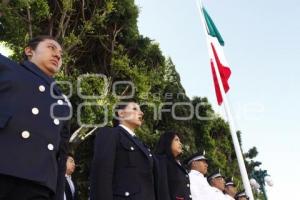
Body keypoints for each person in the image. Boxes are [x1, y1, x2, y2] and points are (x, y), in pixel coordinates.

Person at [0, 35, 71, 200]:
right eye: (51, 48)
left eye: (60, 53)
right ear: (29, 51)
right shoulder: (6, 68)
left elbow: (60, 158)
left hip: (39, 185)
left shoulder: (63, 103)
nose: (58, 55)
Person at [90, 101, 156, 200]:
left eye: (140, 110)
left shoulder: (141, 144)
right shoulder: (110, 134)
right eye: (134, 109)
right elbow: (102, 175)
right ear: (121, 113)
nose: (141, 113)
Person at [155, 131, 192, 200]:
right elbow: (163, 188)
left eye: (180, 141)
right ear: (167, 142)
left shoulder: (179, 164)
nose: (180, 143)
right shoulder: (162, 160)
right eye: (176, 140)